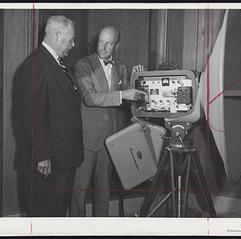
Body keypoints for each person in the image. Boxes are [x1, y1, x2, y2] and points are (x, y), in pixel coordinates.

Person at [70, 26, 145, 216]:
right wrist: (123, 93)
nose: (102, 47)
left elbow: (128, 99)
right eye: (100, 42)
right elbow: (91, 97)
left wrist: (136, 77)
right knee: (79, 192)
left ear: (116, 45)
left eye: (108, 43)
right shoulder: (82, 65)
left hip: (111, 139)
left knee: (104, 190)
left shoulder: (120, 66)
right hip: (88, 138)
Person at [16, 15, 83, 216]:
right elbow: (32, 115)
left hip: (62, 158)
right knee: (46, 215)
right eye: (70, 39)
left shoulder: (55, 63)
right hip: (49, 162)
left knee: (57, 214)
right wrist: (43, 155)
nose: (73, 44)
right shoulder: (36, 64)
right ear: (57, 34)